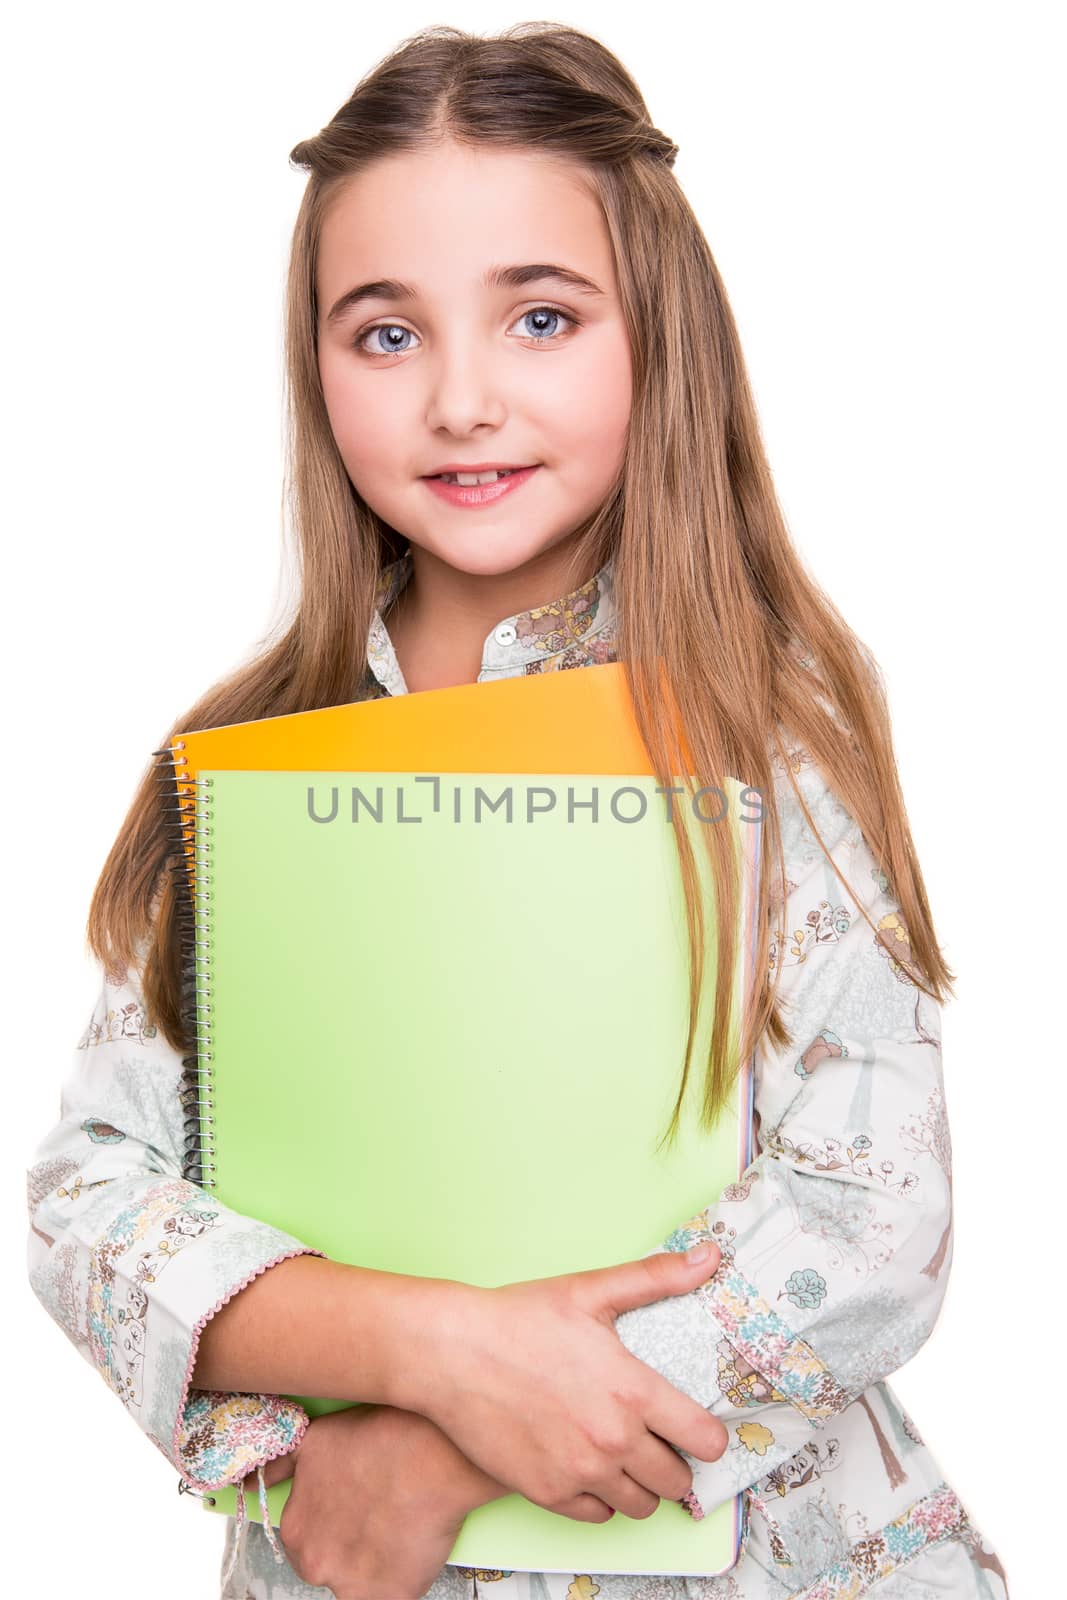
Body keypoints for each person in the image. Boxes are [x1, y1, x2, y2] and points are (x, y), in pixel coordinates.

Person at [25, 21, 1010, 1600]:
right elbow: (90, 1196)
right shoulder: (257, 754)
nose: (463, 399)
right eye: (386, 334)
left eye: (540, 317)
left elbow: (869, 1217)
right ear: (314, 365)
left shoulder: (772, 727)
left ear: (656, 338)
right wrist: (429, 1348)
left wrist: (443, 1445)